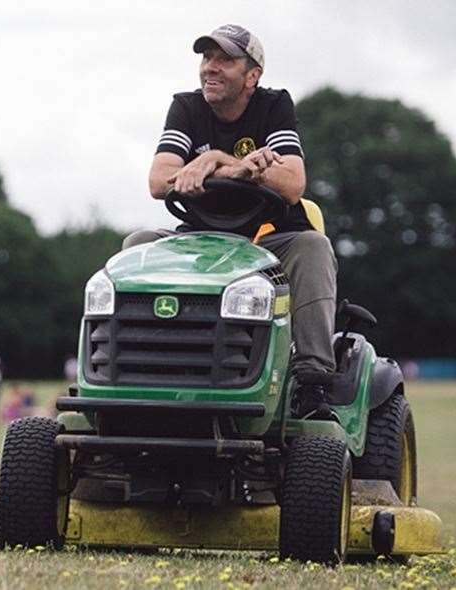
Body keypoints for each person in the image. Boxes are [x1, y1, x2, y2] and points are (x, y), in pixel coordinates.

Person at [123, 24, 338, 419]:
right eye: (207, 59)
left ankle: (312, 379)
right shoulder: (187, 108)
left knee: (313, 247)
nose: (211, 68)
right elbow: (159, 181)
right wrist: (232, 164)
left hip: (269, 241)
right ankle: (147, 369)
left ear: (252, 76)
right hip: (202, 241)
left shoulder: (274, 107)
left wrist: (216, 161)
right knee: (138, 244)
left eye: (225, 60)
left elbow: (292, 184)